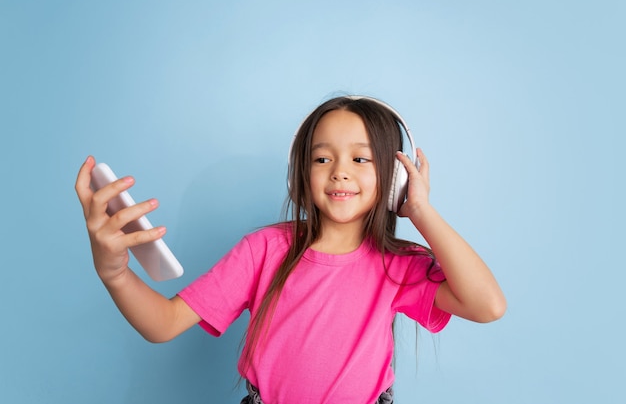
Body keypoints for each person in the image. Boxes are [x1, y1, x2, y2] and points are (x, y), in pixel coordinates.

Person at [75, 95, 506, 404]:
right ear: (300, 173)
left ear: (394, 178)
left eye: (360, 159)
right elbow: (162, 324)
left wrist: (420, 210)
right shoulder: (264, 249)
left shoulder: (400, 264)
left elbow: (487, 305)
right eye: (323, 159)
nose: (339, 173)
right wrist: (114, 272)